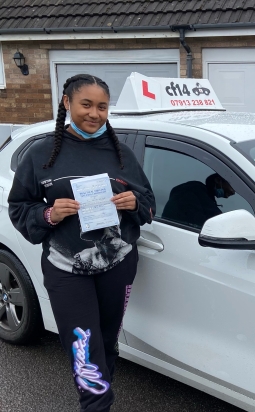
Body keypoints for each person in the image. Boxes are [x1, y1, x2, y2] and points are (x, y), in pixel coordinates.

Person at [8, 74, 155, 412]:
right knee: (82, 346)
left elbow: (149, 204)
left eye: (102, 106)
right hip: (66, 269)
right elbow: (19, 207)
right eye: (86, 104)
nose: (94, 113)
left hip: (117, 266)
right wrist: (49, 214)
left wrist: (134, 204)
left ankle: (101, 393)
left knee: (105, 341)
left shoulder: (121, 155)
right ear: (67, 104)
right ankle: (96, 404)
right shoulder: (41, 153)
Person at [162, 173, 235, 228]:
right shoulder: (192, 193)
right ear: (218, 180)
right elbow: (212, 223)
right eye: (233, 186)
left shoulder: (206, 196)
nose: (233, 192)